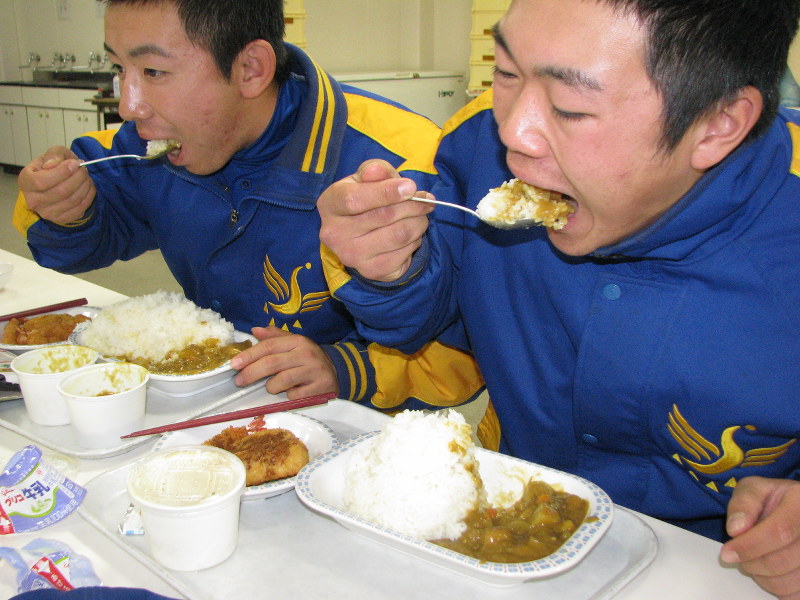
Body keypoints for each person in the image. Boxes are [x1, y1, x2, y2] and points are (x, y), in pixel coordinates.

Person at [316, 0, 800, 597]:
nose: (513, 133)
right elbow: (427, 322)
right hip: (497, 521)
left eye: (570, 108)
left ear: (718, 124)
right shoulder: (473, 147)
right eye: (507, 72)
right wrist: (390, 268)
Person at [12, 0, 489, 428]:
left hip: (364, 432)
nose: (128, 105)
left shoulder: (404, 163)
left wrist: (346, 368)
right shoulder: (145, 146)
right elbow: (89, 239)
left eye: (153, 72)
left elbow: (468, 350)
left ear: (251, 68)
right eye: (120, 68)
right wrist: (67, 210)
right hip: (208, 407)